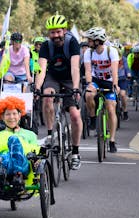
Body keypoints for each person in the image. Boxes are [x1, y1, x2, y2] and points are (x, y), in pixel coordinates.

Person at [35, 15, 83, 170]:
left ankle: (75, 152)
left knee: (75, 115)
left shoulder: (72, 43)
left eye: (58, 32)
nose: (55, 35)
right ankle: (50, 134)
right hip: (53, 77)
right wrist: (37, 88)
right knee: (47, 97)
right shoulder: (46, 46)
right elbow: (41, 69)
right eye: (52, 32)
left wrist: (75, 88)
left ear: (64, 30)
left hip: (70, 78)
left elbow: (75, 68)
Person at [83, 27, 120, 153]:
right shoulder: (89, 52)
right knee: (88, 95)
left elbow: (115, 71)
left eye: (90, 39)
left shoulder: (111, 51)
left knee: (111, 108)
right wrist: (89, 84)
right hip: (96, 80)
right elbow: (88, 70)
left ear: (98, 41)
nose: (88, 41)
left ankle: (112, 140)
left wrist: (115, 84)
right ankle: (93, 118)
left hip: (109, 81)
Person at [116, 44, 131, 121]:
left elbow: (126, 68)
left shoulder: (123, 59)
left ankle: (125, 111)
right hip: (112, 80)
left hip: (122, 79)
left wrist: (128, 74)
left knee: (122, 94)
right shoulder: (109, 58)